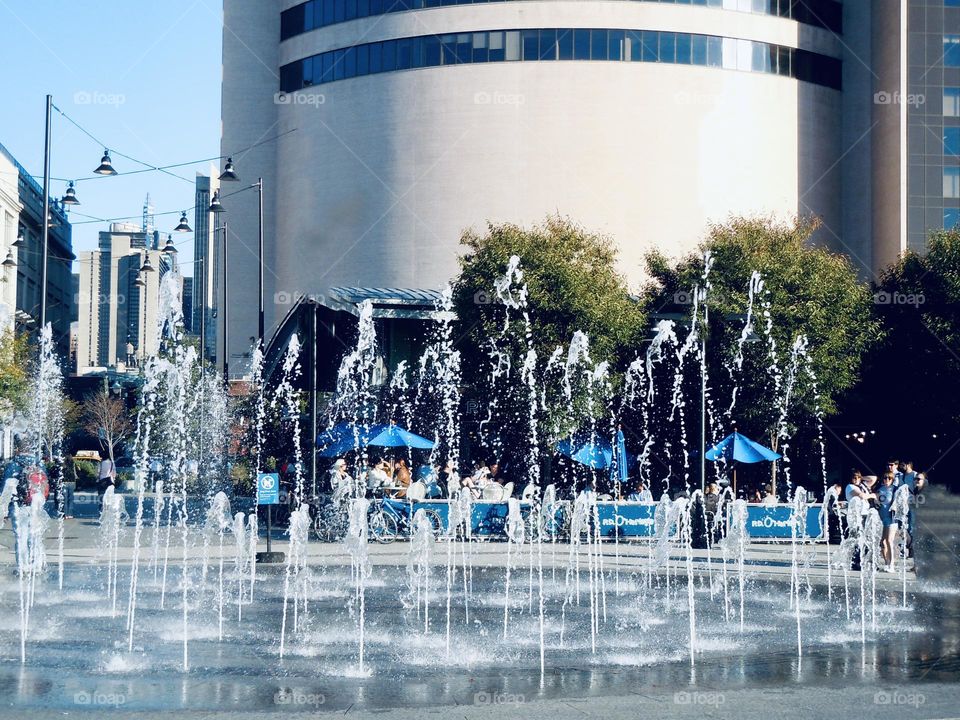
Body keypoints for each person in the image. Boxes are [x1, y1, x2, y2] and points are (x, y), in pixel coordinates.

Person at [876, 471, 898, 572]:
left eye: (889, 478)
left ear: (892, 480)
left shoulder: (895, 490)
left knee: (889, 540)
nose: (887, 480)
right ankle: (887, 563)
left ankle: (892, 564)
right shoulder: (879, 489)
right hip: (882, 518)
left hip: (891, 518)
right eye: (885, 478)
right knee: (883, 542)